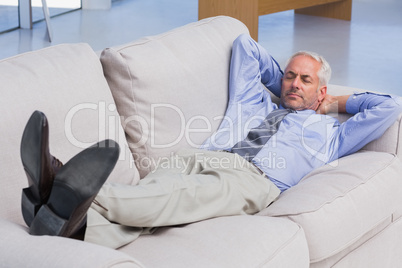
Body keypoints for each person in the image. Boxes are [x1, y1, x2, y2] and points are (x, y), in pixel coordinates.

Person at [20, 34, 401, 248]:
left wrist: (334, 104)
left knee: (173, 199)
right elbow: (246, 47)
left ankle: (63, 185)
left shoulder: (333, 132)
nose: (294, 83)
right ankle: (66, 226)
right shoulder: (253, 98)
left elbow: (389, 106)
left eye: (305, 80)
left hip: (254, 179)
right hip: (203, 156)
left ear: (322, 89)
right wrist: (283, 86)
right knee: (158, 206)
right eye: (290, 75)